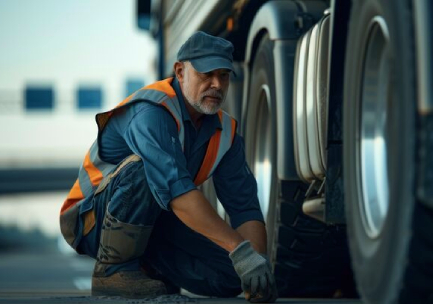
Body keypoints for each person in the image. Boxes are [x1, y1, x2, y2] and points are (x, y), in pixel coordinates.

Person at [58, 31, 277, 302]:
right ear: (180, 71)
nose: (217, 84)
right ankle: (114, 271)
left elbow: (244, 208)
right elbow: (178, 194)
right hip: (92, 220)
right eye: (206, 74)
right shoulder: (151, 111)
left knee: (231, 275)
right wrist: (238, 249)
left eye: (223, 75)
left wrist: (255, 267)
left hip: (157, 221)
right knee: (144, 168)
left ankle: (147, 268)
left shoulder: (226, 133)